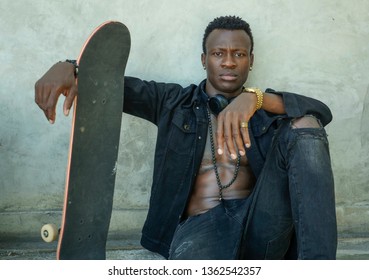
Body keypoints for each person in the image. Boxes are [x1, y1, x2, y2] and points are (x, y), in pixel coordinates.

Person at [35, 16, 337, 259]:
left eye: (238, 54)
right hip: (201, 230)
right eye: (219, 53)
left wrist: (257, 99)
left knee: (307, 125)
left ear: (250, 60)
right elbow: (109, 84)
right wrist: (71, 68)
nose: (229, 62)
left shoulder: (265, 110)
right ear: (204, 60)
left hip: (261, 223)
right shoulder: (172, 102)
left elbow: (318, 112)